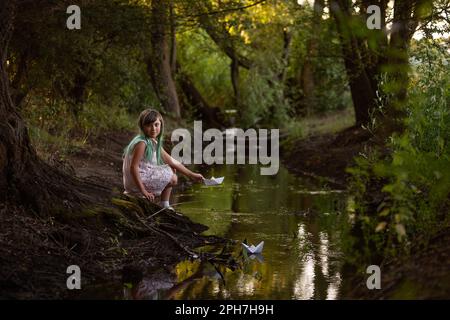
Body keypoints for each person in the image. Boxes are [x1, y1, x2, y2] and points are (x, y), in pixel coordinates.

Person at [123, 108, 204, 210]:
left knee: (171, 167)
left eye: (156, 125)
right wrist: (143, 191)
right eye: (149, 125)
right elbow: (133, 167)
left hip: (141, 174)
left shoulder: (151, 141)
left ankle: (164, 204)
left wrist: (192, 175)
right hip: (135, 181)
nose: (153, 129)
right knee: (173, 178)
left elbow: (171, 160)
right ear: (142, 126)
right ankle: (148, 197)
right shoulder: (142, 143)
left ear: (161, 125)